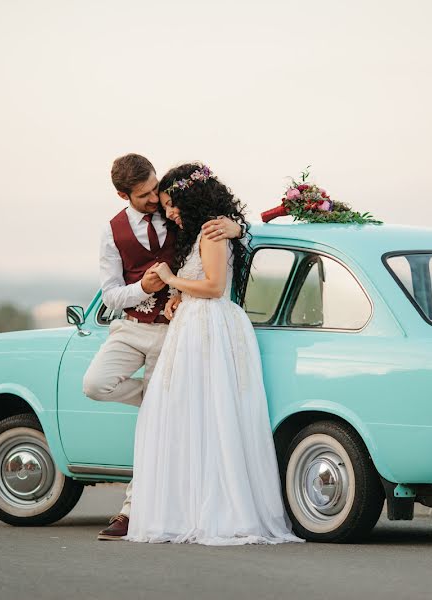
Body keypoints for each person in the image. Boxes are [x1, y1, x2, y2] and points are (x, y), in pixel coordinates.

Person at [123, 163, 303, 545]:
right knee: (191, 415)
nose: (169, 212)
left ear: (191, 198)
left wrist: (172, 280)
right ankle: (190, 506)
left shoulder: (212, 231)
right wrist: (177, 296)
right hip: (193, 324)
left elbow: (216, 286)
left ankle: (217, 508)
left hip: (209, 325)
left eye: (172, 204)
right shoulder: (198, 233)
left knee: (213, 413)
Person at [83, 153, 244, 541]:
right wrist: (145, 289)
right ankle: (170, 402)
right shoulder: (112, 232)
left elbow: (217, 240)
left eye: (156, 188)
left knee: (154, 427)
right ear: (124, 195)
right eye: (145, 195)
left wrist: (235, 227)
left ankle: (131, 510)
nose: (155, 199)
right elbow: (110, 296)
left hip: (174, 332)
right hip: (131, 328)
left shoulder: (180, 212)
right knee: (94, 384)